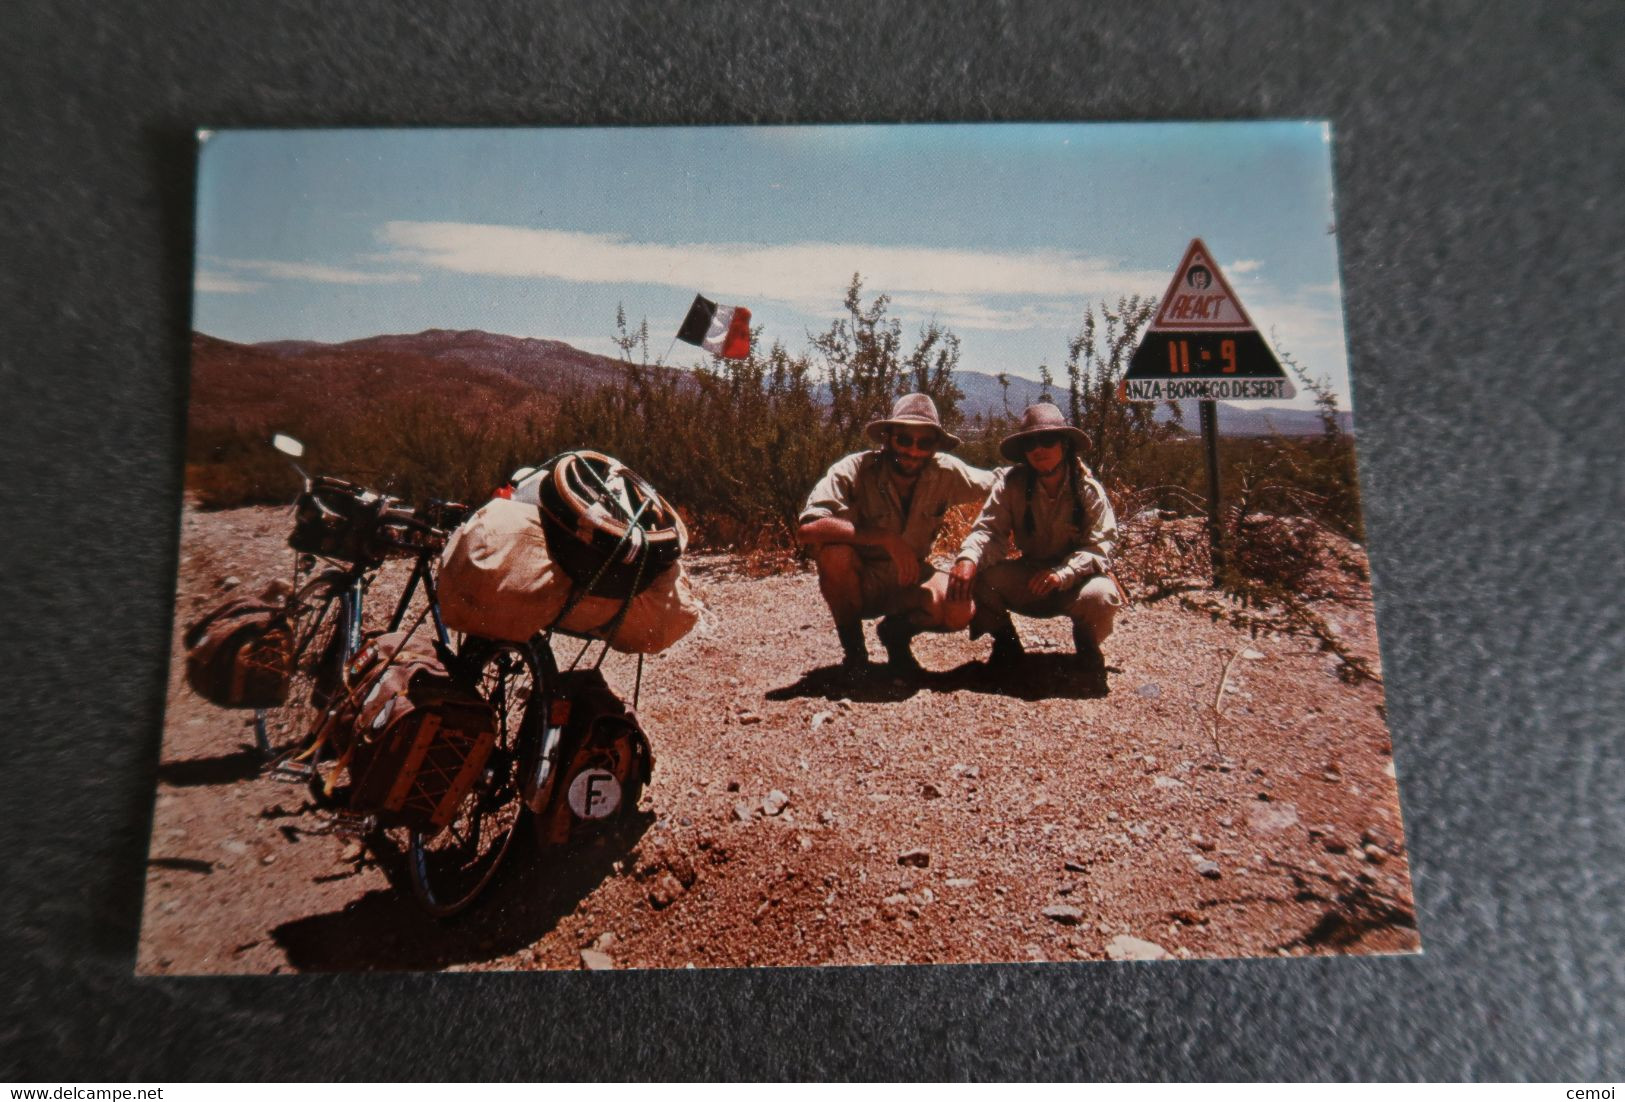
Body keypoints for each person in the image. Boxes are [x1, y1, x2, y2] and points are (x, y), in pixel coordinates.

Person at [798, 393, 996, 673]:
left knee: (957, 609)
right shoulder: (855, 469)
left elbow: (999, 481)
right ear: (888, 438)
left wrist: (1061, 467)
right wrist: (884, 538)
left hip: (911, 577)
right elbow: (809, 528)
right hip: (863, 580)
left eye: (924, 443)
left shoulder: (945, 472)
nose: (913, 451)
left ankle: (896, 636)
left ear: (934, 447)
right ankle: (855, 656)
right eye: (904, 440)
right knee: (834, 555)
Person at [949, 403, 1123, 690]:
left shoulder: (1088, 490)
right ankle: (1007, 646)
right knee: (978, 576)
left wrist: (1062, 573)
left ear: (1065, 444)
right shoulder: (1012, 484)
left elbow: (1100, 547)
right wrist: (967, 558)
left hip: (1078, 581)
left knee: (1101, 596)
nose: (1038, 449)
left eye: (1047, 440)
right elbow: (989, 531)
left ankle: (1088, 650)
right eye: (1030, 442)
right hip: (1031, 576)